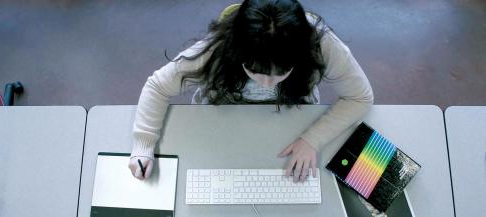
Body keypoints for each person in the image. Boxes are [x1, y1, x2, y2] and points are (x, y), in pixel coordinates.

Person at [128, 0, 373, 185]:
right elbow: (157, 86)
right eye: (256, 71)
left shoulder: (322, 43)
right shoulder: (216, 48)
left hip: (292, 119)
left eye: (281, 72)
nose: (268, 83)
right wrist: (143, 145)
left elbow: (361, 97)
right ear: (237, 51)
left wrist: (312, 139)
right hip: (218, 118)